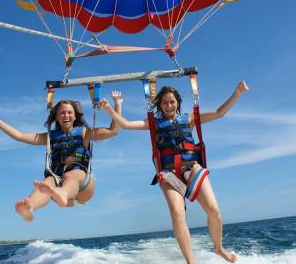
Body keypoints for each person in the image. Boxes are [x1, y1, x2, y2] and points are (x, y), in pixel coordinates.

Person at [101, 81, 249, 264]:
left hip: (191, 167)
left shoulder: (189, 119)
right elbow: (126, 124)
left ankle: (218, 248)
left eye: (171, 101)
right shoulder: (154, 124)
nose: (169, 105)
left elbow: (220, 113)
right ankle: (191, 262)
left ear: (177, 102)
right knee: (178, 213)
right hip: (169, 174)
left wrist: (237, 92)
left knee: (214, 211)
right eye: (164, 102)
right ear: (160, 105)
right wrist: (109, 110)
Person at [0, 91, 123, 222]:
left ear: (75, 116)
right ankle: (30, 208)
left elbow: (113, 131)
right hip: (58, 186)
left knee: (72, 174)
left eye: (69, 112)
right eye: (62, 113)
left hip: (83, 189)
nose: (66, 115)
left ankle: (62, 194)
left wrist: (117, 105)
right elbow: (19, 135)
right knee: (47, 181)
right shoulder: (50, 137)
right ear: (56, 117)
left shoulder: (84, 132)